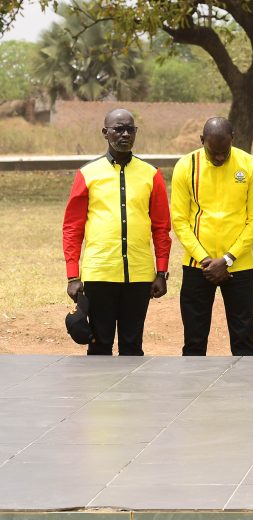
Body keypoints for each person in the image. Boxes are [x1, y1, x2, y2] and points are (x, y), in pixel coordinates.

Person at [62, 109, 170, 355]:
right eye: (118, 129)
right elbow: (72, 228)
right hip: (99, 272)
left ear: (136, 133)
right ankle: (97, 395)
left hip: (139, 275)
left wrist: (161, 272)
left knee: (133, 346)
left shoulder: (151, 174)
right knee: (99, 345)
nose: (124, 134)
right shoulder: (88, 174)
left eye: (130, 129)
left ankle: (131, 395)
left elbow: (161, 227)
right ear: (105, 133)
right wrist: (72, 276)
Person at [171, 117, 253, 356]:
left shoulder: (251, 165)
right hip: (197, 266)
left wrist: (227, 260)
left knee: (243, 338)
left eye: (225, 151)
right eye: (214, 153)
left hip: (238, 266)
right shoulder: (186, 166)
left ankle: (243, 389)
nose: (220, 158)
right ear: (202, 141)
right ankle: (193, 390)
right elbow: (180, 221)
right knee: (194, 339)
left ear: (233, 138)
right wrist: (206, 260)